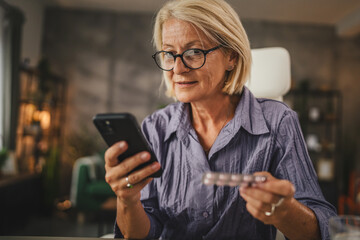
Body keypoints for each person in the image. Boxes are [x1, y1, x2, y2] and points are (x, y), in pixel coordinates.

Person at [104, 0, 337, 239]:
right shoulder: (155, 128)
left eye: (194, 52)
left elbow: (323, 229)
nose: (178, 69)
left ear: (231, 57)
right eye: (169, 54)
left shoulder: (278, 122)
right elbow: (141, 234)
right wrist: (128, 199)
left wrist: (284, 211)